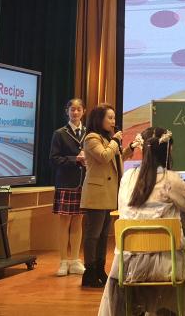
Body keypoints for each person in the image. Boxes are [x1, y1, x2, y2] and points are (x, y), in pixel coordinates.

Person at [98, 127, 185, 316]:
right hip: (166, 263)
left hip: (127, 263)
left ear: (142, 149)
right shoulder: (170, 179)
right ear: (168, 151)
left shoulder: (128, 177)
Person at [80, 103, 134, 288]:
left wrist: (130, 148)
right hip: (96, 193)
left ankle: (100, 270)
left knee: (104, 235)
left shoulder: (108, 139)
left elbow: (115, 159)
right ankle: (89, 272)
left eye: (114, 117)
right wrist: (115, 141)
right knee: (93, 235)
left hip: (108, 192)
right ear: (99, 119)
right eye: (109, 118)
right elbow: (103, 157)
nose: (113, 121)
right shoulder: (91, 138)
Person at [49, 98, 87, 277]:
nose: (75, 112)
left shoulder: (89, 133)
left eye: (79, 109)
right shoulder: (60, 133)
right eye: (72, 109)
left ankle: (75, 260)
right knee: (64, 222)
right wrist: (75, 159)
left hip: (84, 182)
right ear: (67, 111)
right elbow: (53, 159)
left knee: (78, 221)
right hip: (66, 182)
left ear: (83, 111)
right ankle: (63, 261)